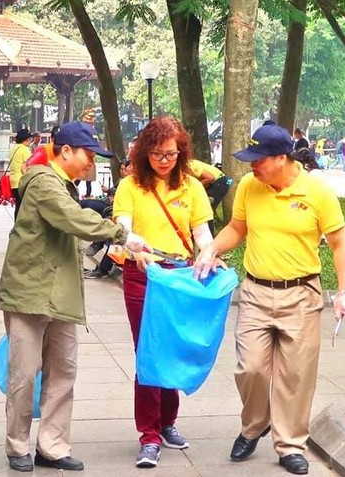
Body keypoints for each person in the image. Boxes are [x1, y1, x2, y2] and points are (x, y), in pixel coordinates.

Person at [192, 124, 345, 476]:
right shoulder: (251, 186)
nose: (252, 167)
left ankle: (290, 443)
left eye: (259, 160)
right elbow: (238, 228)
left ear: (282, 158)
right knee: (249, 368)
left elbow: (341, 243)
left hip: (301, 294)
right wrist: (211, 249)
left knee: (295, 375)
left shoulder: (317, 191)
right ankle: (255, 425)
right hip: (255, 291)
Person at [0, 121, 146, 472]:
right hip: (30, 291)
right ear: (65, 151)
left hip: (61, 293)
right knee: (24, 374)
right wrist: (123, 235)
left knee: (63, 371)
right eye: (88, 155)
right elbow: (72, 218)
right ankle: (17, 444)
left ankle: (52, 446)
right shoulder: (43, 182)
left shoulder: (64, 184)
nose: (90, 163)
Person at [113, 116, 215, 468]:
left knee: (173, 347)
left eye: (170, 154)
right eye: (156, 154)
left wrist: (207, 254)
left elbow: (202, 233)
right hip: (143, 276)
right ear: (144, 153)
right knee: (149, 352)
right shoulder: (131, 186)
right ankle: (149, 435)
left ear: (181, 153)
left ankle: (168, 422)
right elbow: (122, 227)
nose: (163, 161)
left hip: (181, 276)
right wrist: (135, 247)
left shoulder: (191, 187)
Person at [189, 158, 231, 233]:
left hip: (219, 182)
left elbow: (210, 177)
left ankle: (209, 236)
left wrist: (196, 187)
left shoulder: (191, 165)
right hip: (214, 184)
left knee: (206, 209)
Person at [8, 128, 33, 218]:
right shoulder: (25, 150)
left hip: (13, 181)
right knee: (24, 207)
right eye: (29, 139)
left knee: (18, 206)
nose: (30, 142)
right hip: (22, 182)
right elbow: (26, 167)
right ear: (26, 140)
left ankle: (16, 225)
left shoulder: (13, 149)